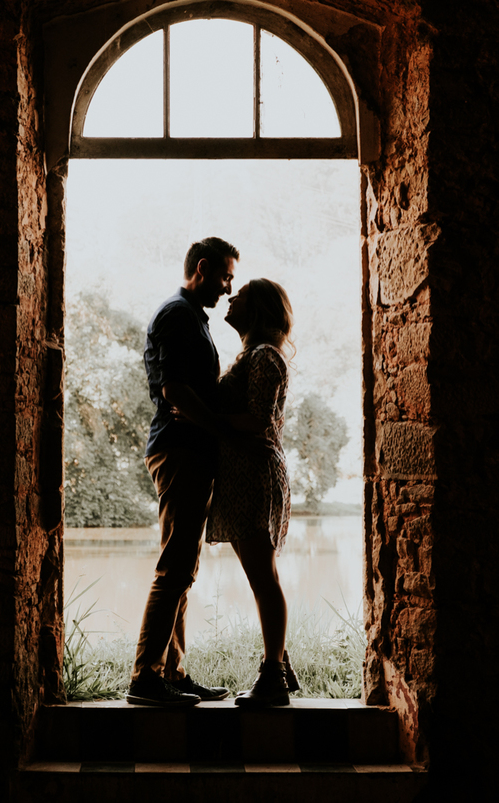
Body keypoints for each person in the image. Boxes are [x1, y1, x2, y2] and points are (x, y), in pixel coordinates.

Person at [125, 237, 240, 707]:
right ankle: (145, 679)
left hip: (188, 450)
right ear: (203, 268)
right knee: (174, 567)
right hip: (179, 451)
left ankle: (173, 672)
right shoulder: (177, 314)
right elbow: (174, 390)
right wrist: (220, 428)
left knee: (184, 569)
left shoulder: (192, 316)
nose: (229, 287)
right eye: (226, 276)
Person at [205, 279, 299, 707]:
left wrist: (204, 417)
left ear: (258, 308)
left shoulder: (264, 356)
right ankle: (279, 664)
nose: (231, 297)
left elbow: (259, 419)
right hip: (242, 475)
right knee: (260, 576)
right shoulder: (252, 355)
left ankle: (273, 677)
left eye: (240, 295)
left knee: (264, 578)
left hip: (255, 476)